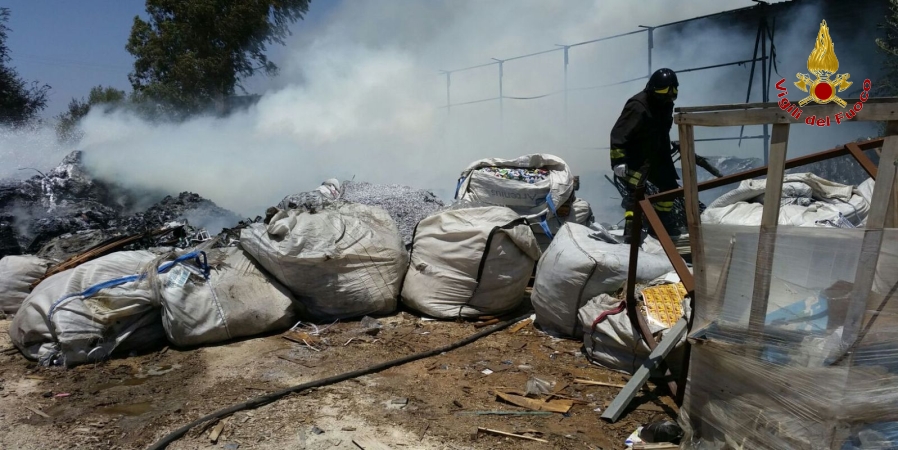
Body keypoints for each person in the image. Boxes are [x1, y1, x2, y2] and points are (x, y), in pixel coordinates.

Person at [609, 68, 682, 243]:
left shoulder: (666, 104)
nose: (668, 95)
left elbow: (661, 130)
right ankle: (631, 231)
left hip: (658, 156)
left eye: (672, 91)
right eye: (664, 91)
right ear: (653, 88)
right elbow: (619, 133)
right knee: (636, 192)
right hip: (637, 157)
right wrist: (618, 161)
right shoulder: (638, 105)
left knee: (669, 188)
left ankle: (659, 223)